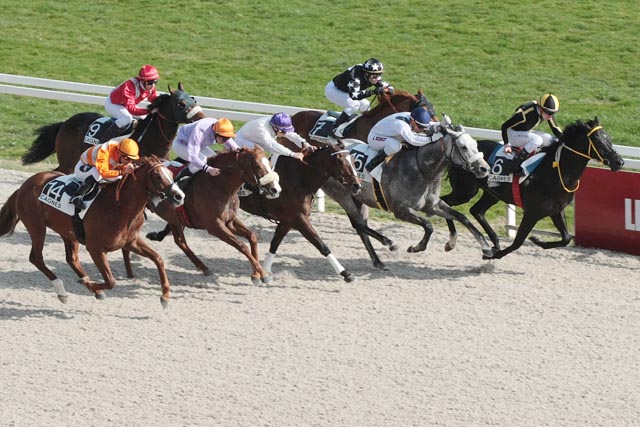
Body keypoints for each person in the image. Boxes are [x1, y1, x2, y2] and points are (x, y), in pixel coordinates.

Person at [325, 58, 395, 134]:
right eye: (374, 75)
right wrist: (373, 92)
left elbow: (388, 87)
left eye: (379, 74)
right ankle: (334, 128)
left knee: (366, 104)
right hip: (334, 90)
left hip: (348, 91)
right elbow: (355, 96)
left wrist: (388, 89)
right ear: (366, 73)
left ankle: (365, 125)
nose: (377, 78)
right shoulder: (354, 76)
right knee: (354, 105)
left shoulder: (370, 74)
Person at [501, 93, 563, 174]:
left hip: (525, 132)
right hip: (512, 135)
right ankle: (515, 165)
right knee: (537, 140)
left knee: (552, 140)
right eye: (549, 113)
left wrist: (567, 139)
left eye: (553, 113)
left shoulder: (546, 111)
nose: (551, 116)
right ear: (541, 109)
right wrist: (506, 144)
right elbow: (505, 126)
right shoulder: (525, 113)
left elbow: (555, 128)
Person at [366, 108, 443, 172]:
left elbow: (430, 125)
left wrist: (442, 124)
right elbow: (413, 140)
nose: (422, 129)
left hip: (390, 135)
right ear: (413, 122)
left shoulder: (414, 118)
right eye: (420, 127)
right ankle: (372, 164)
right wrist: (431, 139)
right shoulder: (401, 125)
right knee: (395, 146)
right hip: (375, 137)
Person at [70, 137, 139, 209]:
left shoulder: (121, 155)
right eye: (127, 159)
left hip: (99, 170)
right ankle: (76, 196)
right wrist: (121, 172)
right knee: (97, 173)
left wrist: (127, 169)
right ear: (119, 153)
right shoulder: (105, 150)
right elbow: (103, 172)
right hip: (83, 167)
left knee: (120, 178)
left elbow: (119, 168)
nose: (129, 162)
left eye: (132, 159)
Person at [172, 117, 240, 189]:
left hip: (198, 146)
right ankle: (179, 180)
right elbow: (193, 157)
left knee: (214, 158)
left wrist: (241, 151)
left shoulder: (219, 129)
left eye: (227, 138)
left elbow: (233, 146)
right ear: (216, 134)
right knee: (202, 159)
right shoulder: (200, 131)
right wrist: (208, 169)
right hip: (181, 145)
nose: (225, 141)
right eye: (224, 138)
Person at [234, 112, 313, 167]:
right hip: (242, 140)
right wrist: (293, 154)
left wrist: (304, 144)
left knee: (275, 154)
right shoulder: (261, 129)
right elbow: (272, 145)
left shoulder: (276, 125)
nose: (286, 134)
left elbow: (291, 135)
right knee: (260, 152)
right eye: (284, 132)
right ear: (276, 129)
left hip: (258, 140)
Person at [104, 64, 161, 138]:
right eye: (150, 82)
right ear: (142, 81)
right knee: (126, 118)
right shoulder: (129, 87)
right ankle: (106, 137)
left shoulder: (150, 87)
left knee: (146, 118)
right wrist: (149, 110)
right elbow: (131, 109)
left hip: (126, 105)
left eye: (155, 82)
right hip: (113, 104)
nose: (152, 85)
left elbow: (153, 98)